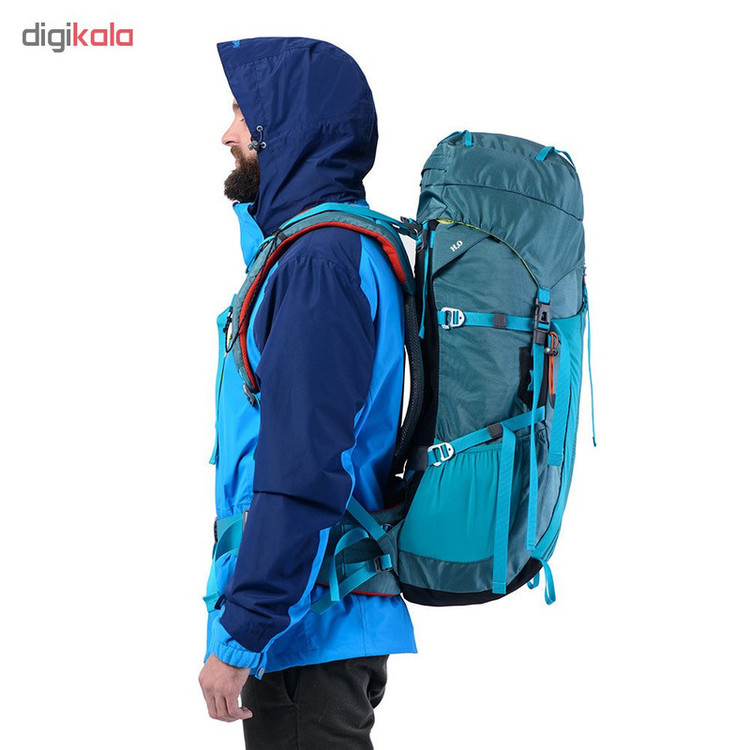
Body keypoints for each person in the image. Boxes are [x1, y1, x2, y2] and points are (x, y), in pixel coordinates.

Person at [198, 36, 417, 750]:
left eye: (242, 114)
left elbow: (301, 463)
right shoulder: (332, 251)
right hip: (320, 613)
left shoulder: (320, 264)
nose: (227, 134)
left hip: (305, 626)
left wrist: (242, 631)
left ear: (285, 128)